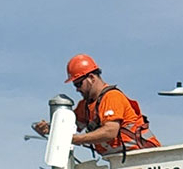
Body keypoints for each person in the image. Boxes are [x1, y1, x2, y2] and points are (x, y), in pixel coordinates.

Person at [32, 54, 160, 156]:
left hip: (146, 157)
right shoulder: (85, 106)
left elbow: (110, 131)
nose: (77, 89)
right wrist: (50, 129)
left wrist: (76, 139)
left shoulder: (112, 97)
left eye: (78, 84)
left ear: (92, 78)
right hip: (123, 160)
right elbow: (71, 127)